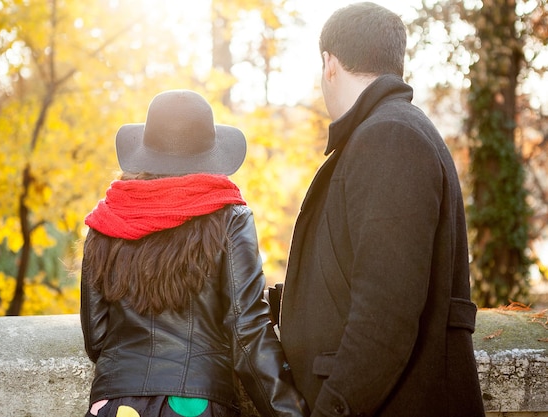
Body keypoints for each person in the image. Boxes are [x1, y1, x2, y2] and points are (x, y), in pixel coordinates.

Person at [278, 3, 485, 417]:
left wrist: (333, 409)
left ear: (329, 64)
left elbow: (385, 317)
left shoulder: (389, 137)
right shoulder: (387, 131)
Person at [80, 89, 308, 417]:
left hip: (114, 404)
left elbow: (97, 338)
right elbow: (247, 333)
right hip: (196, 405)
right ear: (209, 157)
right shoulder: (230, 218)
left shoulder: (107, 218)